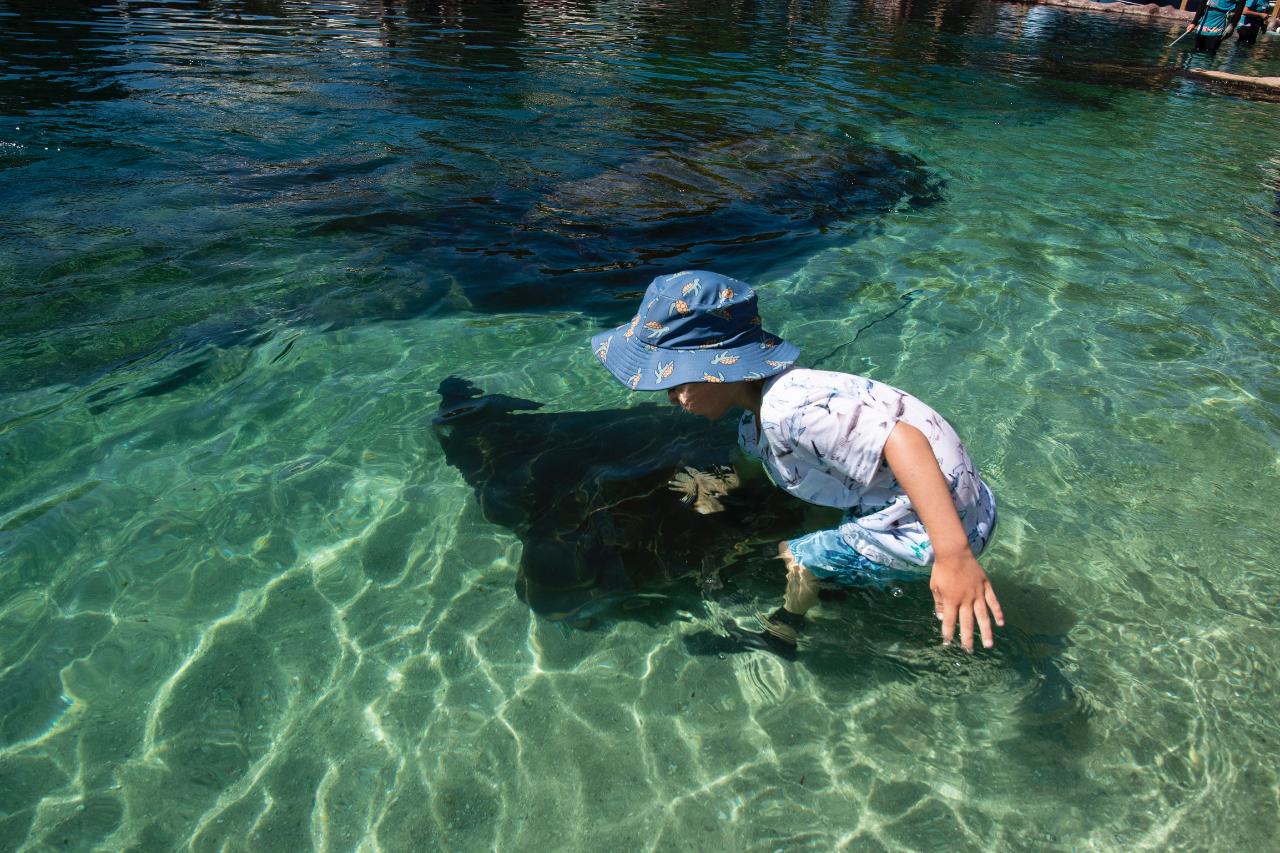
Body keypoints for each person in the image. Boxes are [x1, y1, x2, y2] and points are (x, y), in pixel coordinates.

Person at [590, 271, 1003, 655]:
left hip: (938, 529)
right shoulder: (780, 394)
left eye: (677, 383)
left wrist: (954, 557)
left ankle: (782, 633)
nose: (671, 399)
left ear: (720, 370)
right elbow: (753, 454)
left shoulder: (787, 413)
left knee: (798, 557)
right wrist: (723, 482)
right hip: (965, 497)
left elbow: (905, 440)